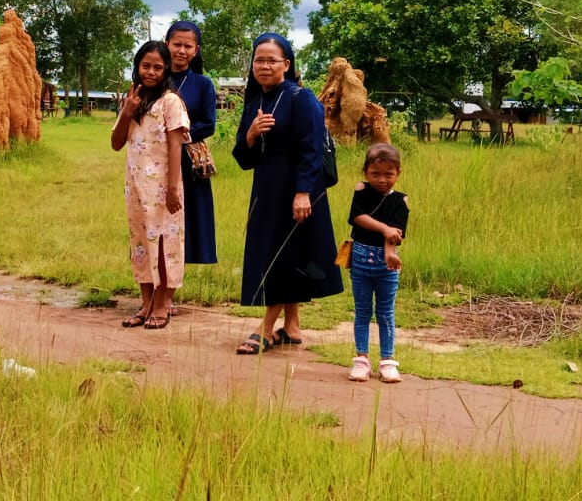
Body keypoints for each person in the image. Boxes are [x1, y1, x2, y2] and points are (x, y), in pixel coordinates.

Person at [232, 33, 343, 355]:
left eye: (271, 60)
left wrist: (303, 193)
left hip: (297, 191)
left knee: (281, 257)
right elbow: (242, 159)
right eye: (258, 60)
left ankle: (265, 329)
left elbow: (311, 150)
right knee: (283, 255)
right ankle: (292, 326)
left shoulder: (302, 98)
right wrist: (251, 135)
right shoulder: (255, 103)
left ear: (286, 64)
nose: (264, 66)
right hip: (266, 192)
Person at [111, 40, 189, 330]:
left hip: (162, 190)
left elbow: (175, 148)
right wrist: (128, 111)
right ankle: (145, 304)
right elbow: (116, 143)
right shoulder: (132, 100)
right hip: (135, 190)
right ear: (137, 66)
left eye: (158, 67)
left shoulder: (171, 102)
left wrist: (171, 189)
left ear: (166, 69)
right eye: (146, 66)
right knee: (141, 245)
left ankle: (161, 305)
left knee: (164, 246)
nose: (151, 72)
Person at [164, 21, 219, 315]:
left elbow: (208, 123)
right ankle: (152, 292)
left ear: (196, 50)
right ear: (167, 44)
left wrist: (176, 133)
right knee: (156, 227)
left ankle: (169, 294)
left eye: (188, 46)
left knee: (181, 227)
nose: (182, 50)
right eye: (177, 44)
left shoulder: (202, 84)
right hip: (154, 163)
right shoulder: (155, 76)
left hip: (187, 163)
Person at [346, 142, 409, 383]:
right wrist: (384, 229)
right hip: (360, 260)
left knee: (385, 312)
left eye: (388, 174)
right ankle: (361, 359)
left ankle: (387, 361)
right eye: (375, 174)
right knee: (362, 311)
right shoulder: (361, 191)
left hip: (387, 265)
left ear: (398, 174)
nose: (382, 180)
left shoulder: (401, 201)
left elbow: (397, 233)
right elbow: (357, 218)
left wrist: (389, 252)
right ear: (365, 172)